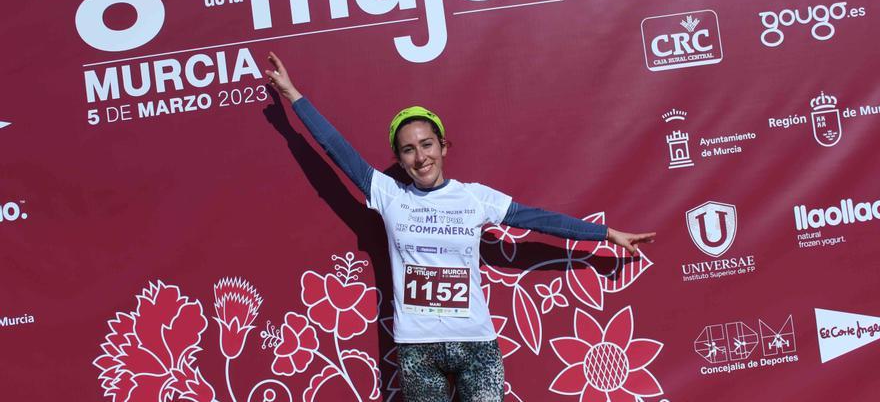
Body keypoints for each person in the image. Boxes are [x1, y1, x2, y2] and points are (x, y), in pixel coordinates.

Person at [263, 52, 655, 402]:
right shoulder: (387, 193)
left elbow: (536, 220)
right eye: (408, 149)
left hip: (476, 345)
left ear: (444, 146)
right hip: (418, 348)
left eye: (427, 144)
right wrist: (292, 94)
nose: (421, 157)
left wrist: (604, 234)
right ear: (399, 159)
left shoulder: (474, 198)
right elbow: (336, 149)